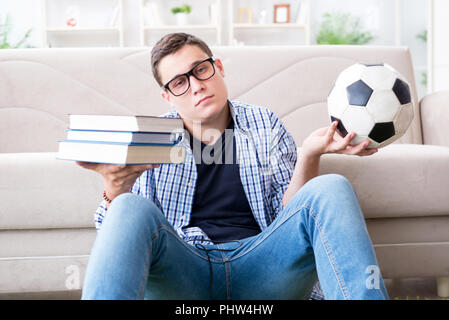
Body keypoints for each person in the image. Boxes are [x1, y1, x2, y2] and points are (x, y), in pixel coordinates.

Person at [79, 32, 389, 300]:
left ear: (218, 68)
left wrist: (309, 155)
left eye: (200, 70)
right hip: (185, 272)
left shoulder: (264, 124)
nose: (196, 86)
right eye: (179, 83)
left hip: (262, 267)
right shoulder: (153, 138)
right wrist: (115, 191)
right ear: (167, 97)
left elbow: (292, 221)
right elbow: (127, 242)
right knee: (129, 205)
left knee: (331, 186)